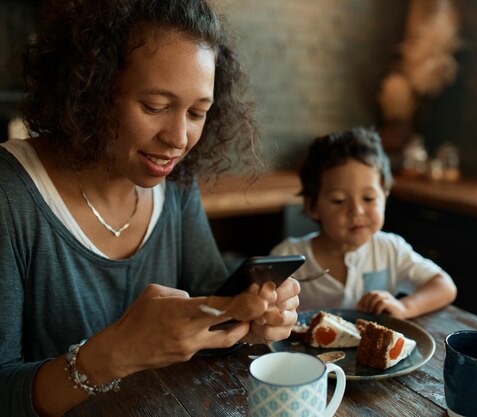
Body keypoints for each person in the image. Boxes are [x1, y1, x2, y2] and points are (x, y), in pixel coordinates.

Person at [0, 1, 300, 416]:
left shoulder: (174, 183)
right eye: (155, 106)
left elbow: (211, 300)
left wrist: (249, 321)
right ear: (89, 87)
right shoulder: (9, 194)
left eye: (198, 113)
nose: (179, 138)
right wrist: (112, 354)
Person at [271, 127, 455, 317]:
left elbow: (444, 285)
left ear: (385, 196)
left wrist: (406, 307)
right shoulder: (288, 256)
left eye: (368, 198)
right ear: (313, 207)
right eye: (339, 201)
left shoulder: (390, 250)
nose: (357, 211)